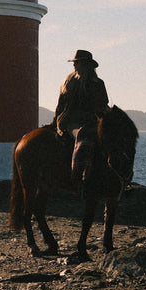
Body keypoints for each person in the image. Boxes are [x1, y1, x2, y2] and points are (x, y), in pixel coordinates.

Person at [54, 50, 110, 197]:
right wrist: (55, 122)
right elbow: (60, 106)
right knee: (83, 134)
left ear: (86, 65)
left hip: (94, 120)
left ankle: (121, 178)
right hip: (72, 121)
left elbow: (104, 104)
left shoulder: (98, 84)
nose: (75, 65)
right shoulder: (69, 83)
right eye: (74, 63)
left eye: (77, 63)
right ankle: (78, 178)